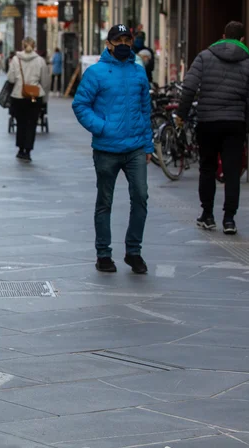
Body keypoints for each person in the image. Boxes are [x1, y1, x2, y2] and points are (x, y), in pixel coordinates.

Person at [72, 24, 153, 275]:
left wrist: (148, 145)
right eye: (118, 40)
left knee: (141, 197)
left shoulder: (139, 72)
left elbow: (145, 110)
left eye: (127, 40)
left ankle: (133, 251)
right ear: (108, 44)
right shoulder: (96, 73)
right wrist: (101, 127)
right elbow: (80, 105)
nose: (124, 45)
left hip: (136, 147)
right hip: (106, 148)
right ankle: (104, 254)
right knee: (105, 201)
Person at [176, 21, 249, 235]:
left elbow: (189, 88)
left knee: (207, 168)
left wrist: (182, 114)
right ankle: (229, 219)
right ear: (241, 39)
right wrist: (248, 125)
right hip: (235, 123)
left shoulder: (204, 57)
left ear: (223, 36)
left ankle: (207, 215)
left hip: (208, 121)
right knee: (232, 172)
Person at [6, 38, 49, 161]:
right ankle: (28, 150)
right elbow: (45, 81)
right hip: (35, 96)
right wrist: (44, 97)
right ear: (34, 46)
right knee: (32, 123)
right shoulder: (40, 61)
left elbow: (11, 79)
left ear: (22, 46)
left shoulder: (15, 59)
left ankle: (20, 149)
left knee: (21, 123)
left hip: (19, 95)